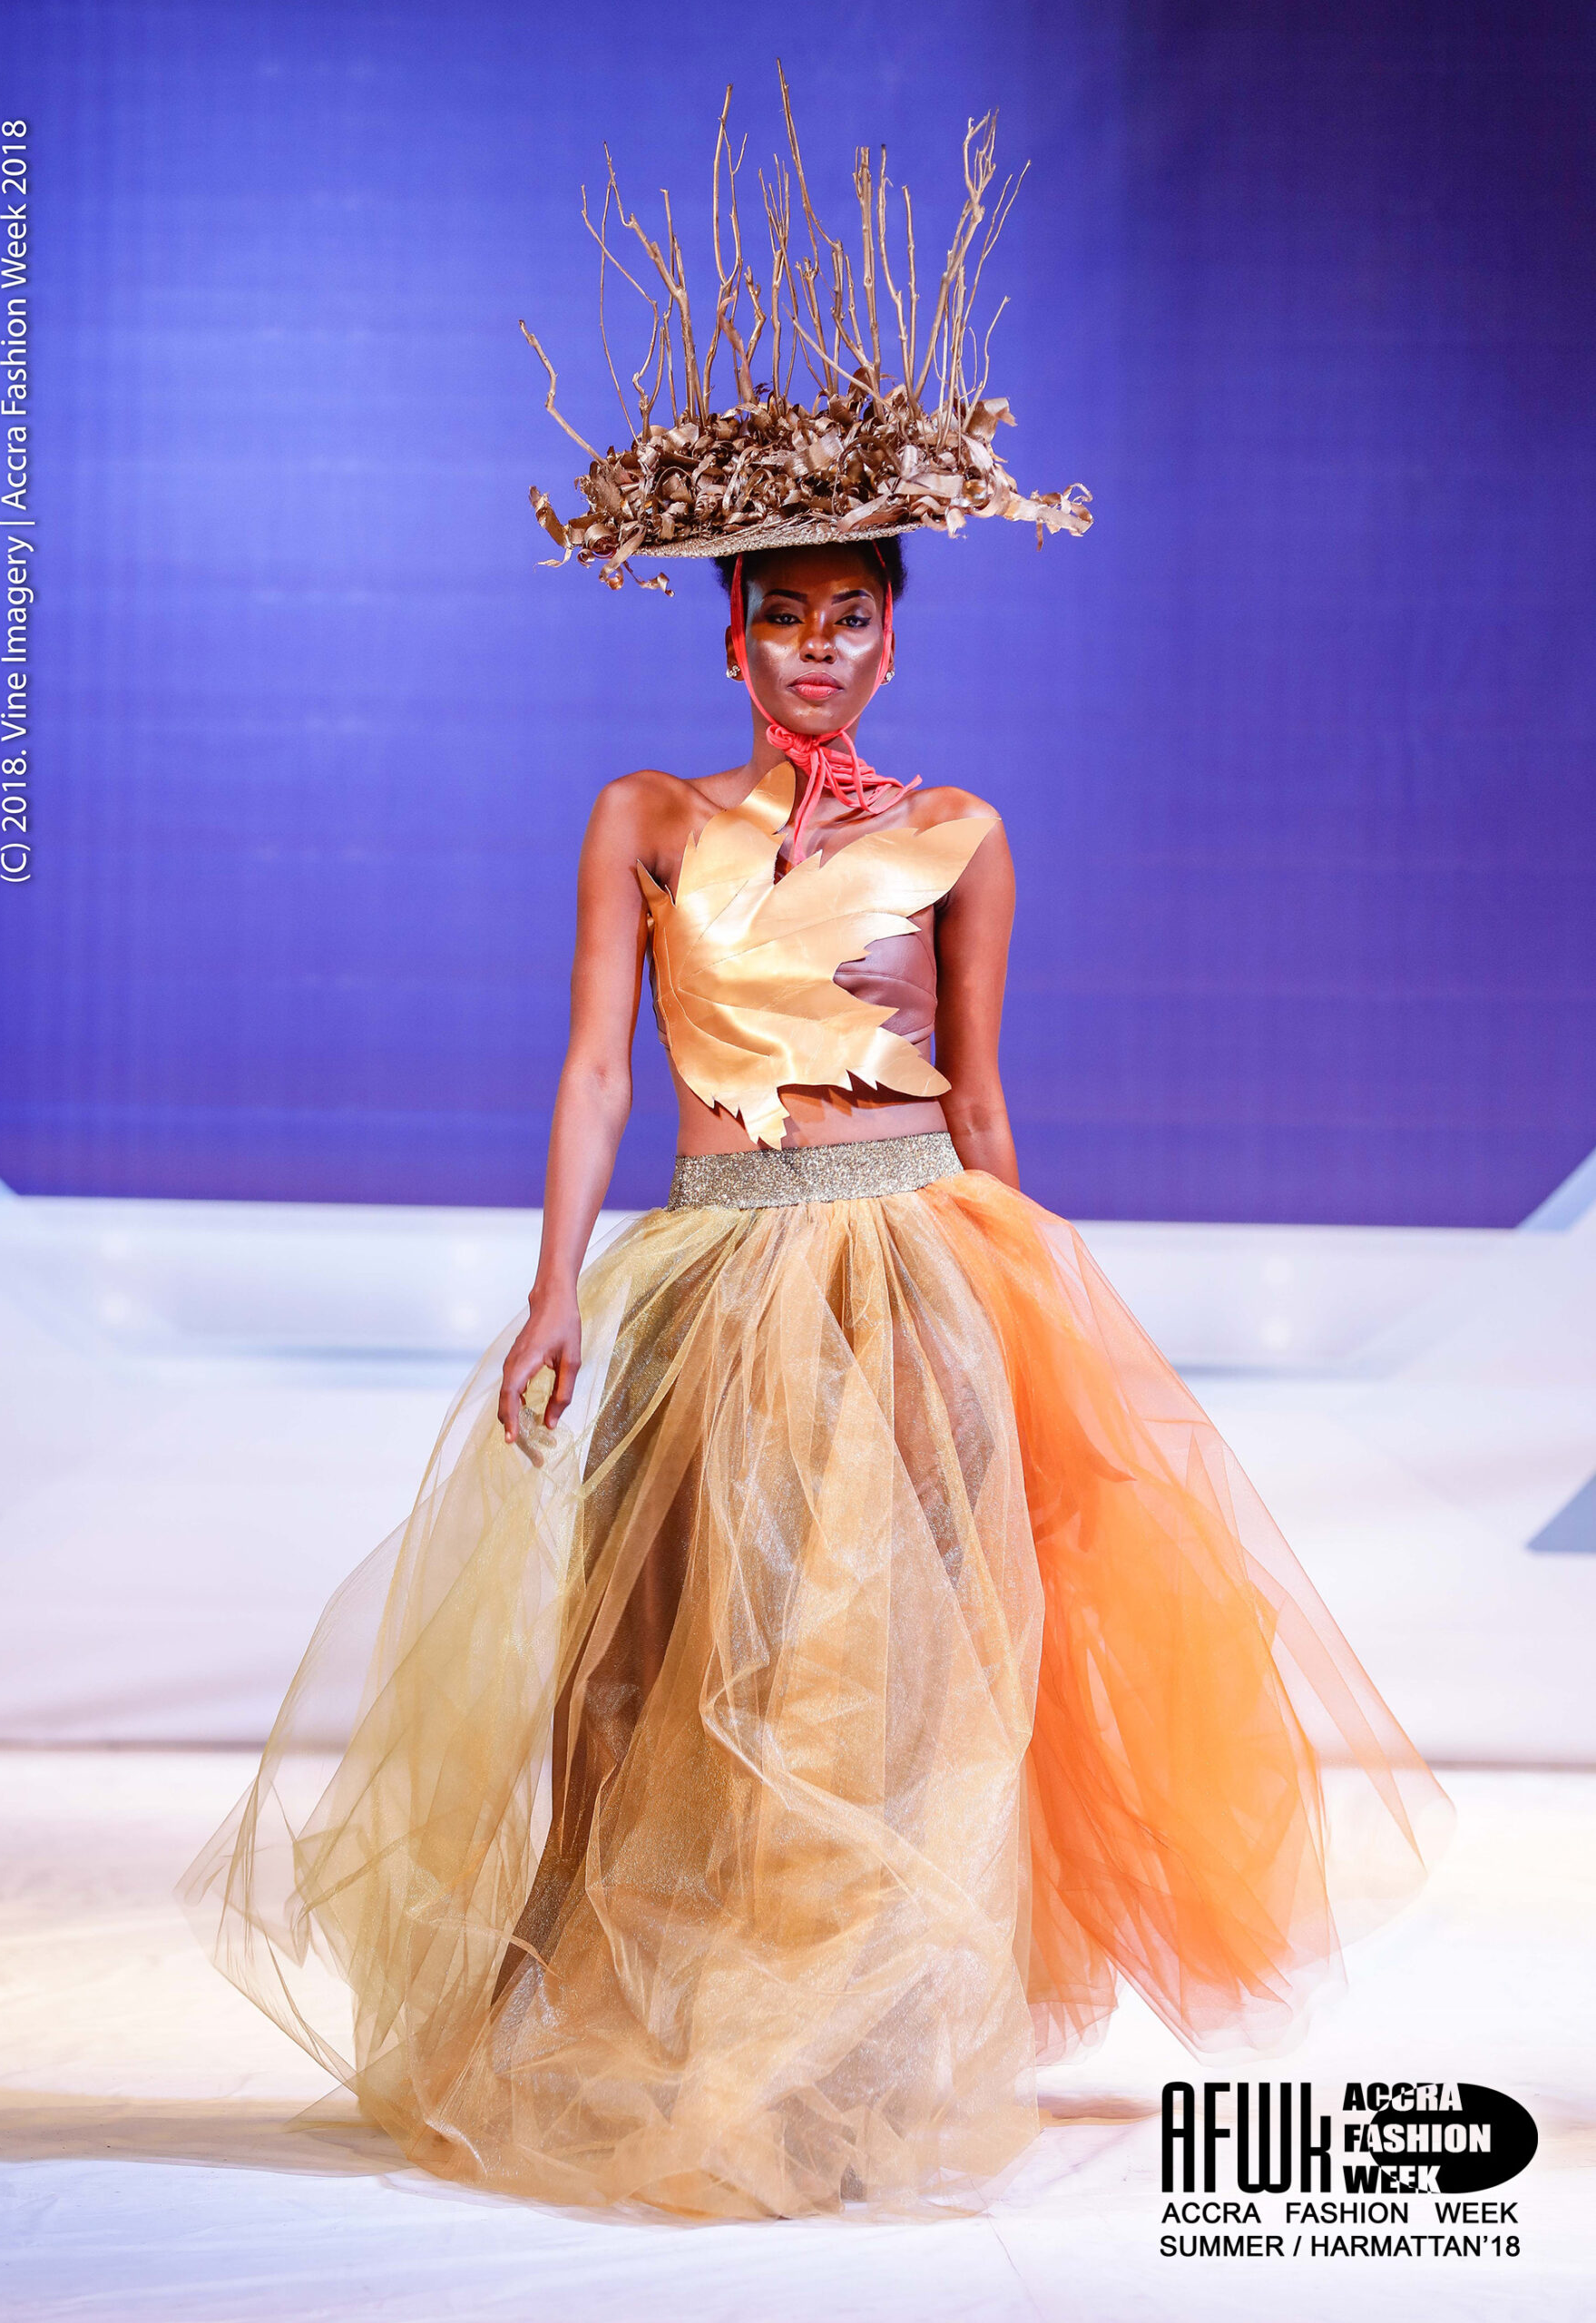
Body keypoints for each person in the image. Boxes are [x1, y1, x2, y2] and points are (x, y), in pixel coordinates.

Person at [182, 93, 1447, 2220]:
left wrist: (1046, 1317)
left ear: (895, 630)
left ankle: (856, 2050)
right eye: (787, 617)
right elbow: (596, 1068)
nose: (822, 650)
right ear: (731, 628)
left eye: (856, 616)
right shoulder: (646, 820)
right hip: (717, 1264)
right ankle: (628, 2010)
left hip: (919, 1255)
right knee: (667, 1648)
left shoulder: (960, 834)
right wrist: (555, 1287)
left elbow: (986, 1097)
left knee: (908, 1658)